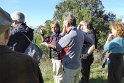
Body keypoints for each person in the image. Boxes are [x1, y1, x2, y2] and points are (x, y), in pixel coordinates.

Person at [0, 7, 44, 83]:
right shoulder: (30, 30)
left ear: (14, 22)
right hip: (27, 64)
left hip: (12, 67)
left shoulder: (14, 33)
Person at [55, 12, 95, 83]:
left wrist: (62, 34)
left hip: (69, 68)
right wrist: (83, 52)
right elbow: (91, 42)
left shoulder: (70, 35)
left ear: (67, 23)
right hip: (78, 66)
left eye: (63, 22)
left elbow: (58, 47)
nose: (63, 24)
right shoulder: (80, 33)